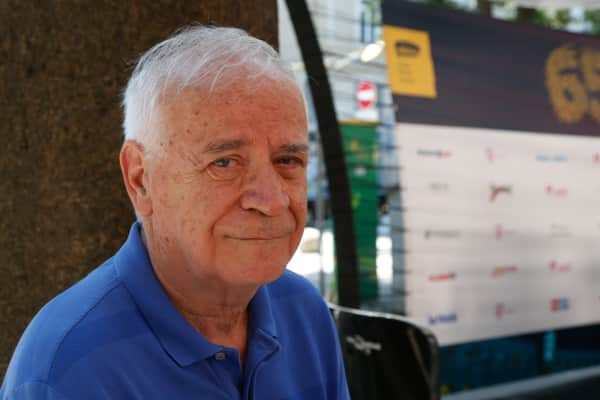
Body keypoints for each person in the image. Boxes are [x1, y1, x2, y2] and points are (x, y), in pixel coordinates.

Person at [0, 26, 350, 399]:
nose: (272, 200)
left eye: (287, 160)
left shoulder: (303, 312)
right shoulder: (66, 369)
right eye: (224, 162)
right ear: (140, 179)